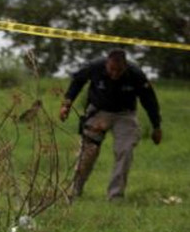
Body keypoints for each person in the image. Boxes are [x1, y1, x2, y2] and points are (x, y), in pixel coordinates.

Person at [59, 48, 162, 202]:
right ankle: (74, 190)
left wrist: (156, 126)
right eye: (111, 70)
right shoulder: (94, 66)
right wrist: (67, 104)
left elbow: (149, 100)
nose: (114, 74)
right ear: (106, 64)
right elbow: (78, 81)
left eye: (119, 71)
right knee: (88, 152)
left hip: (125, 114)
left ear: (125, 66)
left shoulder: (136, 75)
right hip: (98, 111)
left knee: (125, 152)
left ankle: (116, 196)